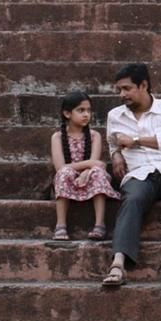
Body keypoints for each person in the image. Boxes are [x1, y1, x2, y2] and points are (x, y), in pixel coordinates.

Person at [101, 62, 161, 288]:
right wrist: (115, 155)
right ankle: (118, 263)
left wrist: (135, 141)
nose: (122, 94)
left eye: (127, 89)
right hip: (139, 176)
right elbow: (112, 141)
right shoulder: (115, 115)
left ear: (143, 85)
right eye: (119, 90)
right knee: (132, 199)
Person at [50, 91, 119, 241]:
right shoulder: (57, 137)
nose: (86, 114)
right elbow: (60, 167)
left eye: (88, 110)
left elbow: (95, 163)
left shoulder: (95, 136)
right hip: (70, 178)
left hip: (89, 176)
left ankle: (99, 224)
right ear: (67, 113)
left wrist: (88, 170)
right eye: (81, 110)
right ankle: (60, 225)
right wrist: (89, 164)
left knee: (98, 173)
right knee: (64, 174)